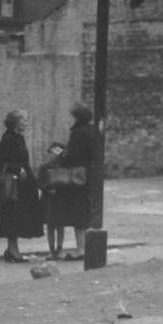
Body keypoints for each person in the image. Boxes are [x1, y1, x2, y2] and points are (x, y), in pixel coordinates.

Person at [0, 110, 44, 262]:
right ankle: (13, 251)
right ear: (16, 122)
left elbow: (24, 162)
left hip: (24, 185)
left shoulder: (19, 138)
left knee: (19, 217)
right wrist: (16, 169)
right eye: (24, 120)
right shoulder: (8, 138)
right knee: (12, 216)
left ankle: (12, 250)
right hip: (13, 185)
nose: (27, 123)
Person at [47, 104, 97, 261]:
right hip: (89, 174)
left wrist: (59, 153)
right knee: (85, 212)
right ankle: (83, 248)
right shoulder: (92, 131)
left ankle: (80, 249)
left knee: (78, 215)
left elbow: (72, 157)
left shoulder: (78, 133)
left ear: (77, 118)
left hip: (76, 176)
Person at [36, 142, 70, 258]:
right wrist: (47, 189)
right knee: (50, 225)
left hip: (61, 199)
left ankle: (59, 249)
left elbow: (69, 183)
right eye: (53, 152)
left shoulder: (66, 167)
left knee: (60, 225)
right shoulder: (44, 167)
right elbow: (39, 183)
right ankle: (51, 250)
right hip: (48, 199)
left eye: (58, 152)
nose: (55, 155)